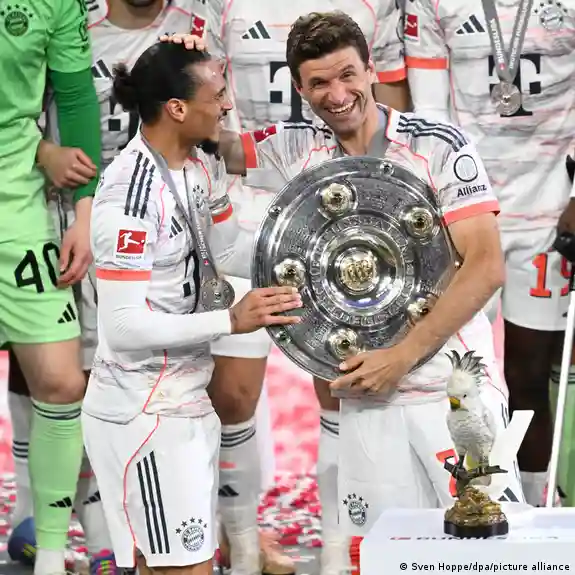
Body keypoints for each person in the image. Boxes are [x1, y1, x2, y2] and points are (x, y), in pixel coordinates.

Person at [165, 6, 524, 569]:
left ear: (371, 69)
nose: (336, 95)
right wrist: (180, 70)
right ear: (299, 89)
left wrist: (400, 356)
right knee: (388, 559)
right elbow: (207, 137)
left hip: (453, 388)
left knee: (487, 555)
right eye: (318, 84)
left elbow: (485, 266)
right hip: (366, 397)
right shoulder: (294, 146)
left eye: (347, 75)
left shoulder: (437, 146)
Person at [188, 2, 409, 573]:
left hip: (338, 229)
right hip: (247, 217)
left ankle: (338, 552)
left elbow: (392, 115)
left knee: (341, 392)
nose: (335, 90)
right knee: (233, 397)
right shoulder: (218, 7)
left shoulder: (367, 13)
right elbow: (206, 114)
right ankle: (243, 549)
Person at [82, 40, 303, 575]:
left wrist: (309, 253)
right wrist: (230, 320)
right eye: (217, 94)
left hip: (185, 399)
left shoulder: (200, 166)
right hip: (143, 412)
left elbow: (226, 250)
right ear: (177, 108)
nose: (227, 105)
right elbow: (122, 326)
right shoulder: (130, 196)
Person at [6, 1, 206, 570]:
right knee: (71, 377)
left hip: (142, 222)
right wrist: (44, 154)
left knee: (96, 379)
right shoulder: (84, 17)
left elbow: (71, 100)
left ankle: (119, 539)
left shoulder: (192, 26)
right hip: (68, 207)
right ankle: (78, 532)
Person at [402, 0, 575, 507]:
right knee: (456, 374)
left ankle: (541, 510)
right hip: (469, 209)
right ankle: (468, 503)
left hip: (550, 207)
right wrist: (439, 202)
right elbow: (430, 114)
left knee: (528, 374)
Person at [0, 0, 104, 573]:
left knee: (63, 384)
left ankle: (51, 554)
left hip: (19, 206)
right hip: (28, 166)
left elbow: (77, 96)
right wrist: (43, 149)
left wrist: (83, 214)